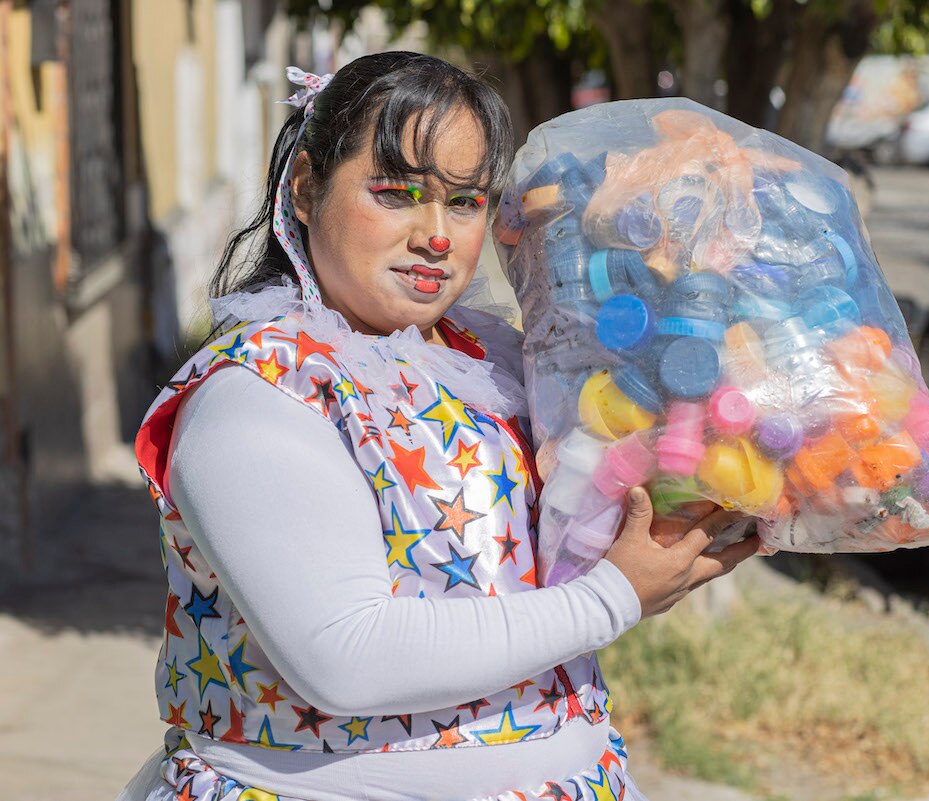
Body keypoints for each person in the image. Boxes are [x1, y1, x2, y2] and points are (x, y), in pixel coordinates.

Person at [121, 52, 760, 801]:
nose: (436, 235)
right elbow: (343, 657)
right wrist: (613, 596)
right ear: (304, 189)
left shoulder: (488, 359)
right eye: (397, 193)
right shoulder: (256, 393)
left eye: (464, 202)